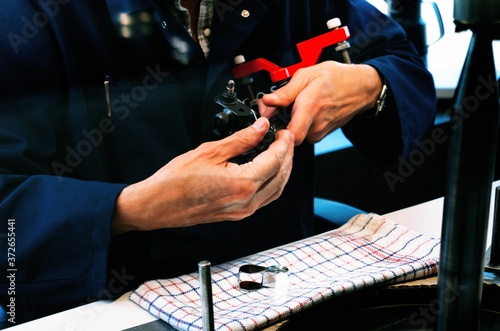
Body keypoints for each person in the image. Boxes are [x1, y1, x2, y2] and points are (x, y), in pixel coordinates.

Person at [0, 0, 436, 326]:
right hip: (111, 310)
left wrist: (367, 84)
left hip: (285, 294)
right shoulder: (25, 17)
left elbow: (402, 64)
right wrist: (131, 208)